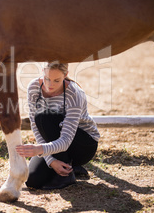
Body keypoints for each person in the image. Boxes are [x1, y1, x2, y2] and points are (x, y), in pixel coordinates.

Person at [16, 62, 100, 190]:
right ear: (43, 71)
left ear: (66, 75)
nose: (50, 85)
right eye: (47, 79)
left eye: (57, 80)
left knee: (44, 116)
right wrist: (51, 161)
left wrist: (39, 149)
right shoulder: (34, 87)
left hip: (83, 144)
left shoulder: (74, 93)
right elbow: (35, 125)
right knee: (33, 180)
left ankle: (66, 174)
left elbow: (66, 140)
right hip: (56, 143)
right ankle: (70, 167)